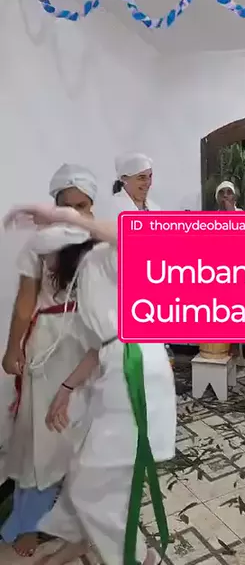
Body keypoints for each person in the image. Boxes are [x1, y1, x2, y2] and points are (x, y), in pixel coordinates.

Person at [2, 205, 177, 565]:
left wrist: (70, 219)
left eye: (49, 257)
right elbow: (97, 349)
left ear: (65, 253)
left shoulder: (102, 258)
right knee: (87, 470)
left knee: (91, 485)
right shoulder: (82, 283)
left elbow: (139, 237)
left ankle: (137, 557)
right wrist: (65, 391)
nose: (47, 267)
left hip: (136, 370)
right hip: (116, 366)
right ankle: (81, 540)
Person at [0, 164, 98, 558]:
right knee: (42, 437)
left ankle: (77, 516)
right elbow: (25, 303)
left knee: (83, 435)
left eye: (83, 205)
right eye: (67, 205)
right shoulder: (39, 245)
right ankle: (28, 523)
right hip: (48, 345)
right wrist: (12, 349)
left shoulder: (99, 242)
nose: (75, 213)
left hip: (89, 346)